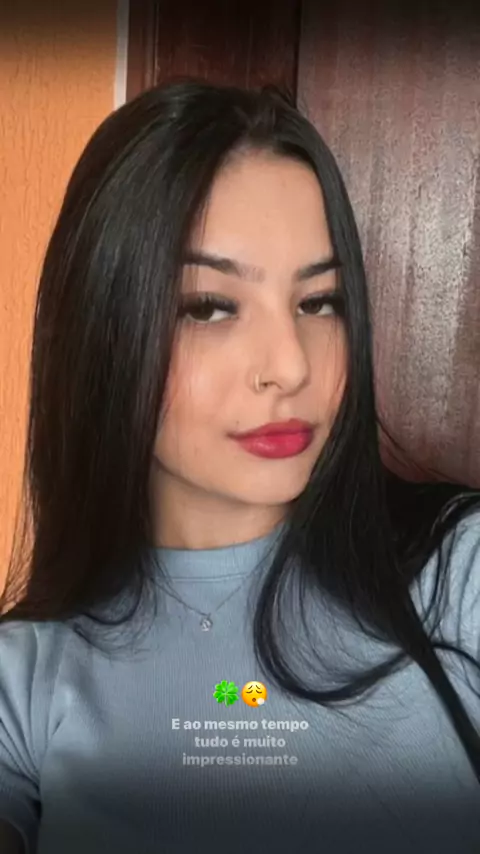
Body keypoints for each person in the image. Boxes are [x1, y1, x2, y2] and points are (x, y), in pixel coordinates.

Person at [0, 79, 479, 854]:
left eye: (319, 302)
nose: (289, 366)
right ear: (103, 328)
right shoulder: (24, 679)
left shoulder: (457, 574)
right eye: (209, 307)